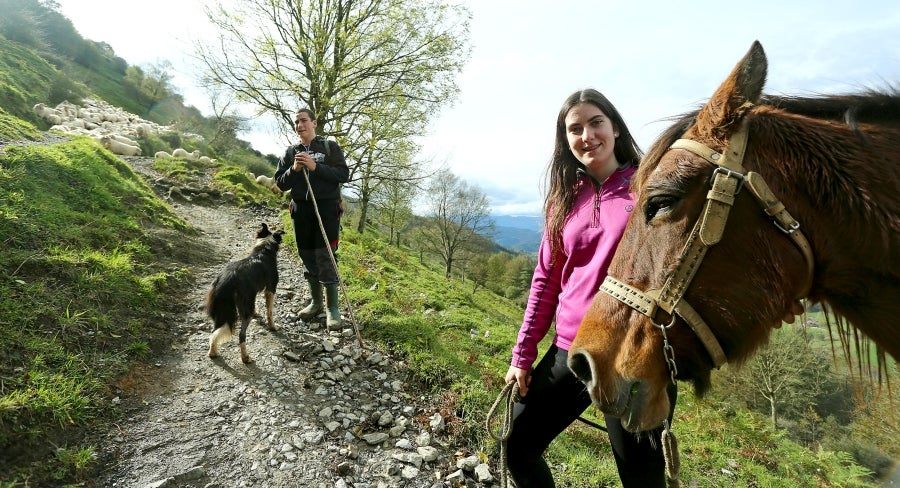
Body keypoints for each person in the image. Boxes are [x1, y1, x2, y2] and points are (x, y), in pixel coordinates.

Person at [503, 88, 676, 487]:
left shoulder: (649, 188)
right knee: (517, 444)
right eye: (575, 128)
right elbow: (545, 281)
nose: (587, 135)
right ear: (565, 140)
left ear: (614, 127)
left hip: (633, 354)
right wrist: (522, 355)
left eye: (596, 122)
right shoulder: (563, 200)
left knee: (641, 479)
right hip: (573, 347)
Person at [274, 108, 350, 329]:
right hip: (301, 211)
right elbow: (280, 183)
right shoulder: (290, 153)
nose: (299, 125)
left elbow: (342, 174)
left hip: (326, 210)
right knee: (306, 254)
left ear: (314, 123)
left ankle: (332, 308)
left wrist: (316, 167)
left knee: (325, 255)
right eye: (296, 122)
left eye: (303, 121)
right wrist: (295, 169)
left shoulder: (329, 147)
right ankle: (316, 302)